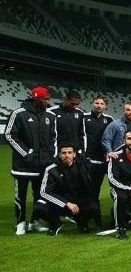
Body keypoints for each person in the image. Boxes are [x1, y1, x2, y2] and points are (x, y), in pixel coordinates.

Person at [5, 86, 57, 235]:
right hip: (22, 166)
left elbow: (53, 138)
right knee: (20, 195)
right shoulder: (19, 114)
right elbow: (9, 135)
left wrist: (50, 156)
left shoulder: (50, 116)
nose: (48, 102)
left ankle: (35, 222)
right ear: (36, 98)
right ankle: (20, 222)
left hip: (42, 166)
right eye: (45, 99)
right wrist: (26, 153)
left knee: (39, 196)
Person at [37, 144, 97, 235]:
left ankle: (81, 221)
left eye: (69, 152)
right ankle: (56, 223)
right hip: (60, 202)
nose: (67, 155)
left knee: (93, 206)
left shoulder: (82, 166)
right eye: (64, 153)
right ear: (59, 155)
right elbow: (44, 192)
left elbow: (97, 171)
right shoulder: (51, 170)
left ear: (74, 154)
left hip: (77, 201)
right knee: (39, 207)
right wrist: (66, 203)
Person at [83, 95, 114, 227]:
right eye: (96, 103)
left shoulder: (109, 119)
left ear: (105, 106)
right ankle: (87, 215)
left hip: (103, 161)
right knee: (86, 188)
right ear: (92, 104)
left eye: (101, 104)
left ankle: (96, 214)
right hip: (87, 160)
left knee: (96, 188)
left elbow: (111, 139)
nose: (98, 105)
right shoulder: (84, 118)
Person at [48, 89, 86, 154]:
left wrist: (82, 150)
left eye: (77, 104)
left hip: (74, 151)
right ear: (65, 99)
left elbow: (82, 134)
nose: (75, 106)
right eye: (73, 104)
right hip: (57, 150)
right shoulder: (51, 112)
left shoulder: (80, 113)